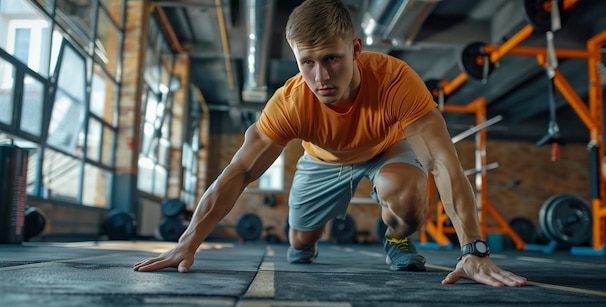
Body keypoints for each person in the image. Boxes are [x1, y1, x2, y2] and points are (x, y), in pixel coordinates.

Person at [134, 0, 527, 288]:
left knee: (406, 196)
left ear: (355, 49)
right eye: (307, 62)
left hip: (384, 149)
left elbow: (442, 163)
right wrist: (186, 244)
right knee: (300, 243)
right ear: (296, 59)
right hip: (321, 161)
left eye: (332, 59)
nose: (320, 76)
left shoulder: (395, 81)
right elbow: (239, 172)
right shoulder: (290, 104)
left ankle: (396, 239)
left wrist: (473, 251)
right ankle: (307, 239)